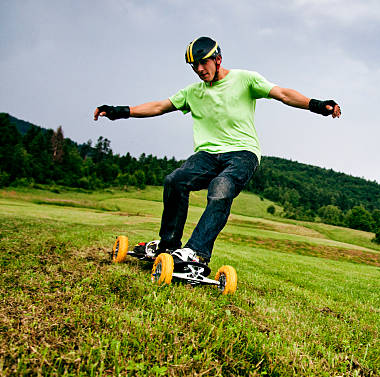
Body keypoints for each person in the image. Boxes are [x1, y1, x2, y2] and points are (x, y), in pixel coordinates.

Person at [94, 36, 341, 271]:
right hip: (207, 156)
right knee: (175, 181)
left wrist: (317, 105)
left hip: (242, 153)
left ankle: (196, 252)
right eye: (194, 66)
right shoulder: (192, 93)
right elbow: (159, 106)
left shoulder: (245, 79)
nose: (200, 69)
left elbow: (284, 94)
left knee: (221, 186)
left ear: (218, 59)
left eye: (203, 63)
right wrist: (120, 111)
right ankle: (167, 245)